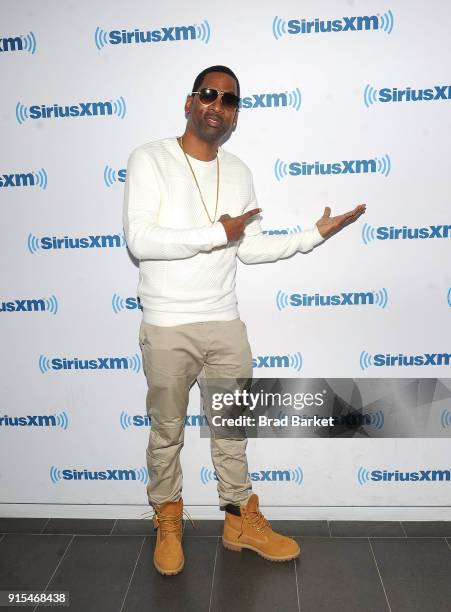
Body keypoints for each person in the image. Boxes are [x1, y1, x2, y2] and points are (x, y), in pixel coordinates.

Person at [123, 65, 365, 576]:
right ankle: (167, 517)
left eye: (229, 100)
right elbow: (140, 240)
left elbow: (249, 249)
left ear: (233, 116)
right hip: (167, 325)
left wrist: (312, 235)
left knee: (232, 429)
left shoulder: (238, 172)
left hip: (225, 323)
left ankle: (238, 519)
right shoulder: (149, 159)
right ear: (189, 103)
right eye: (209, 94)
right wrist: (217, 233)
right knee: (166, 430)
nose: (218, 104)